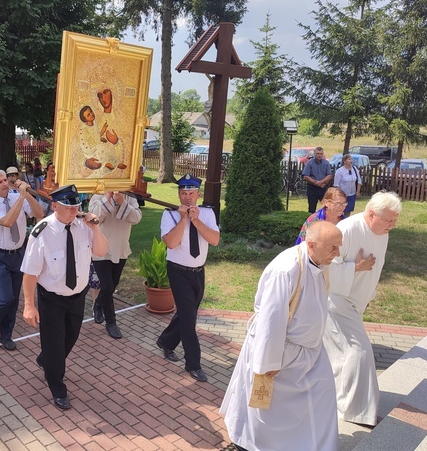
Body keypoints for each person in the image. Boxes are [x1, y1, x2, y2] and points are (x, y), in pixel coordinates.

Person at [220, 221, 342, 451]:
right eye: (333, 248)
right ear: (312, 244)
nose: (337, 254)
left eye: (339, 247)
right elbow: (271, 319)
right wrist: (269, 362)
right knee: (268, 413)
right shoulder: (286, 269)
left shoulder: (318, 262)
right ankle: (254, 444)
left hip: (311, 352)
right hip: (281, 353)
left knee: (323, 394)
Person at [21, 185, 106, 410]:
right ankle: (57, 386)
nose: (73, 210)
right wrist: (29, 306)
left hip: (78, 295)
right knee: (55, 344)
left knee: (71, 338)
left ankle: (46, 360)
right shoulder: (42, 231)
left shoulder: (83, 226)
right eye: (68, 206)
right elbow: (30, 273)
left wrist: (95, 228)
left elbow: (101, 251)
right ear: (55, 205)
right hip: (52, 298)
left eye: (76, 205)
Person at [323, 191, 402, 426]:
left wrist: (369, 293)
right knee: (360, 353)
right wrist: (354, 268)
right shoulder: (347, 230)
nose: (392, 225)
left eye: (395, 221)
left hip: (355, 302)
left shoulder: (382, 233)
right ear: (370, 214)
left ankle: (340, 401)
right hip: (335, 301)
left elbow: (376, 267)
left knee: (342, 357)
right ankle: (357, 412)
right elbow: (323, 269)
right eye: (388, 220)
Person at [156, 174, 220, 382]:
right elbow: (171, 243)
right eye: (183, 193)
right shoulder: (170, 216)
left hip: (198, 272)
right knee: (189, 319)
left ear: (198, 194)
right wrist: (184, 219)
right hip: (178, 271)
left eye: (191, 193)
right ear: (178, 194)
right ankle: (193, 364)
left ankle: (166, 341)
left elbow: (215, 240)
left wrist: (196, 220)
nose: (187, 197)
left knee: (186, 313)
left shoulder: (208, 213)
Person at [0, 170, 43, 350]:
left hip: (18, 253)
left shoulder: (17, 197)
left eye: (5, 180)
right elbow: (7, 222)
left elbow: (38, 213)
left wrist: (26, 196)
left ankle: (7, 334)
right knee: (5, 297)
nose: (5, 184)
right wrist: (21, 198)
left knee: (14, 298)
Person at [89, 191, 142, 339]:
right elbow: (94, 218)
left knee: (113, 284)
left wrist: (122, 203)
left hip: (121, 248)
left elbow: (137, 218)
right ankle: (111, 323)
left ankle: (98, 303)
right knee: (107, 286)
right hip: (101, 250)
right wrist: (106, 200)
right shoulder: (98, 195)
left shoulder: (130, 196)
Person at [302, 147, 333, 214]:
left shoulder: (326, 163)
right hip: (312, 188)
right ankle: (311, 223)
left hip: (323, 188)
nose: (319, 155)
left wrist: (321, 183)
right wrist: (316, 183)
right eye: (317, 153)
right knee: (311, 208)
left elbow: (329, 175)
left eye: (321, 153)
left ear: (323, 154)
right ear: (314, 154)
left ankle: (325, 222)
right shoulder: (309, 163)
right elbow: (306, 176)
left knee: (326, 207)